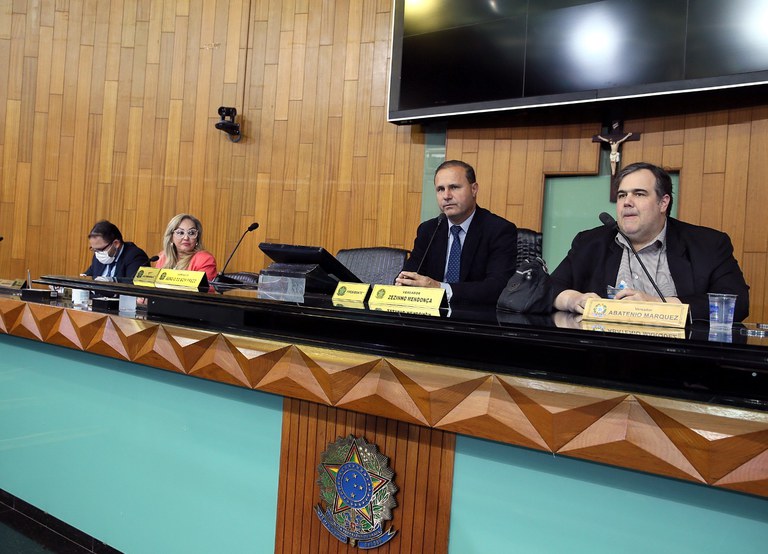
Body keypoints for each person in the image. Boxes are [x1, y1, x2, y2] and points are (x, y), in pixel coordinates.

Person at [551, 162, 749, 321]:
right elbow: (549, 288)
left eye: (639, 194)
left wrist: (657, 305)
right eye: (622, 195)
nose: (627, 202)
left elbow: (737, 303)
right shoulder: (590, 243)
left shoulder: (707, 244)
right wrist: (573, 300)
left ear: (663, 203)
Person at [396, 160, 518, 304]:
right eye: (440, 189)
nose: (446, 196)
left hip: (477, 314)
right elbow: (408, 275)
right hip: (432, 314)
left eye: (454, 187)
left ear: (474, 189)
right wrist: (404, 283)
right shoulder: (428, 230)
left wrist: (441, 288)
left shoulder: (499, 230)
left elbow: (497, 287)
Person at [155, 214, 218, 283]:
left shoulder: (204, 259)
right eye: (180, 232)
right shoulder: (163, 258)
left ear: (197, 238)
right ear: (171, 237)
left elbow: (202, 288)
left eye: (191, 233)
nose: (186, 238)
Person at [83, 220, 150, 281]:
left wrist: (112, 281)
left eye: (100, 249)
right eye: (94, 249)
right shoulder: (99, 256)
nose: (97, 253)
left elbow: (134, 283)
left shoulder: (135, 256)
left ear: (116, 244)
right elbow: (89, 275)